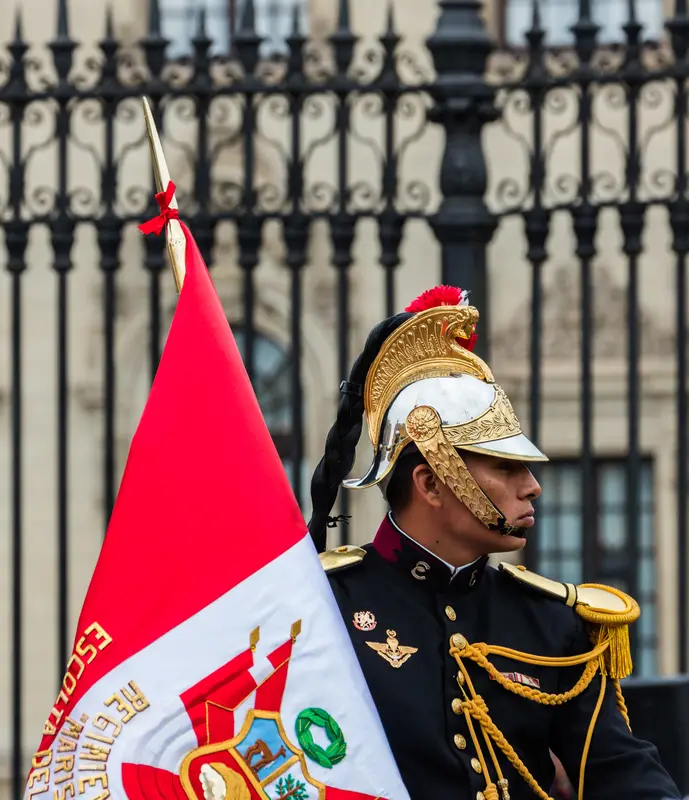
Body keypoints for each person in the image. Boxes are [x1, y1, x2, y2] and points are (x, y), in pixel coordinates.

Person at [308, 286, 680, 800]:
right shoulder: (325, 606)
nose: (532, 486)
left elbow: (621, 773)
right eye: (506, 467)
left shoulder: (550, 621)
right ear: (430, 483)